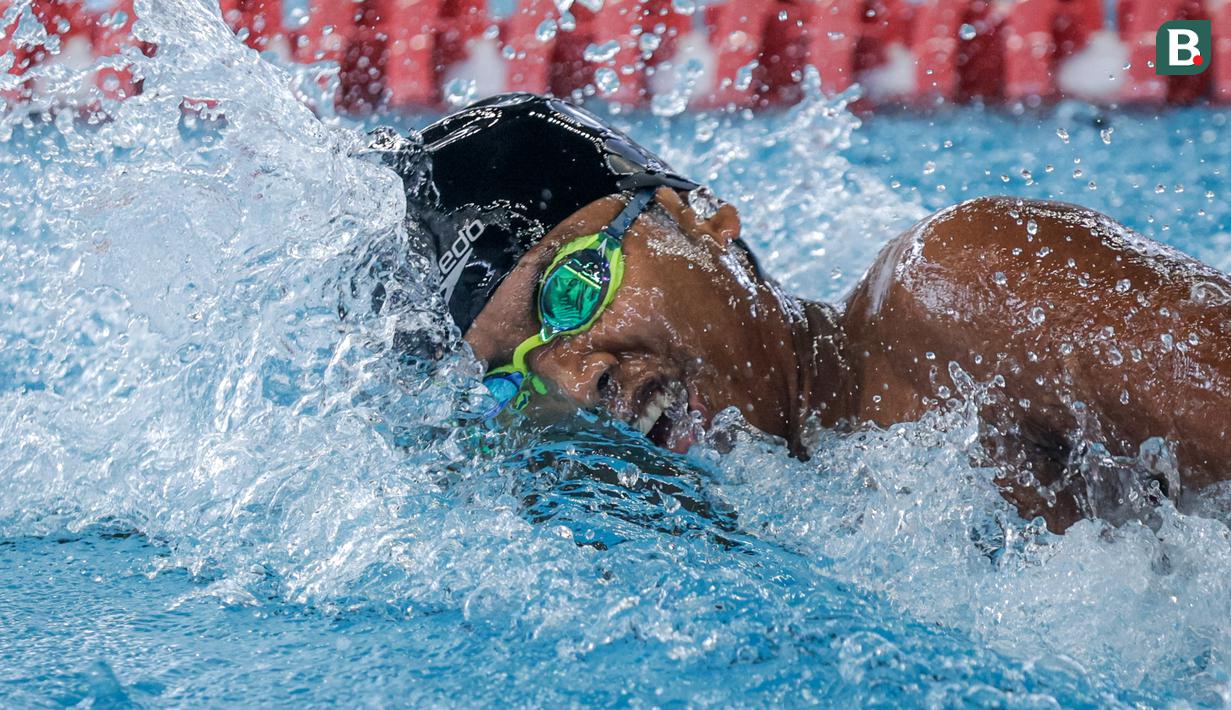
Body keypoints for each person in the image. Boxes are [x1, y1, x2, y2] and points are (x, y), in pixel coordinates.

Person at [378, 92, 1231, 532]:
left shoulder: (961, 290)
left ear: (695, 218)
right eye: (513, 380)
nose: (579, 375)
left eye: (571, 292)